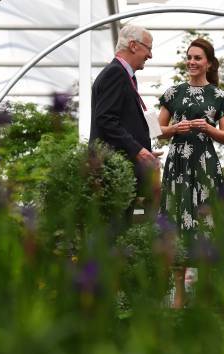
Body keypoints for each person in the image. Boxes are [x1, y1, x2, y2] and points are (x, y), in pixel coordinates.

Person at [157, 38, 224, 308]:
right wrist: (176, 129)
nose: (192, 62)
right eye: (189, 57)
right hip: (177, 165)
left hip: (205, 166)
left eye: (198, 58)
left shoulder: (219, 97)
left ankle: (206, 293)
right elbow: (158, 130)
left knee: (207, 223)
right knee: (177, 222)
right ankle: (177, 296)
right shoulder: (172, 93)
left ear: (208, 63)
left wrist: (207, 129)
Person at [89, 25, 160, 220]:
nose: (150, 55)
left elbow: (119, 120)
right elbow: (105, 119)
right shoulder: (116, 73)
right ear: (133, 45)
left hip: (123, 168)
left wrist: (142, 150)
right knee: (117, 228)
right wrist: (137, 150)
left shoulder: (124, 75)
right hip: (114, 171)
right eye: (149, 48)